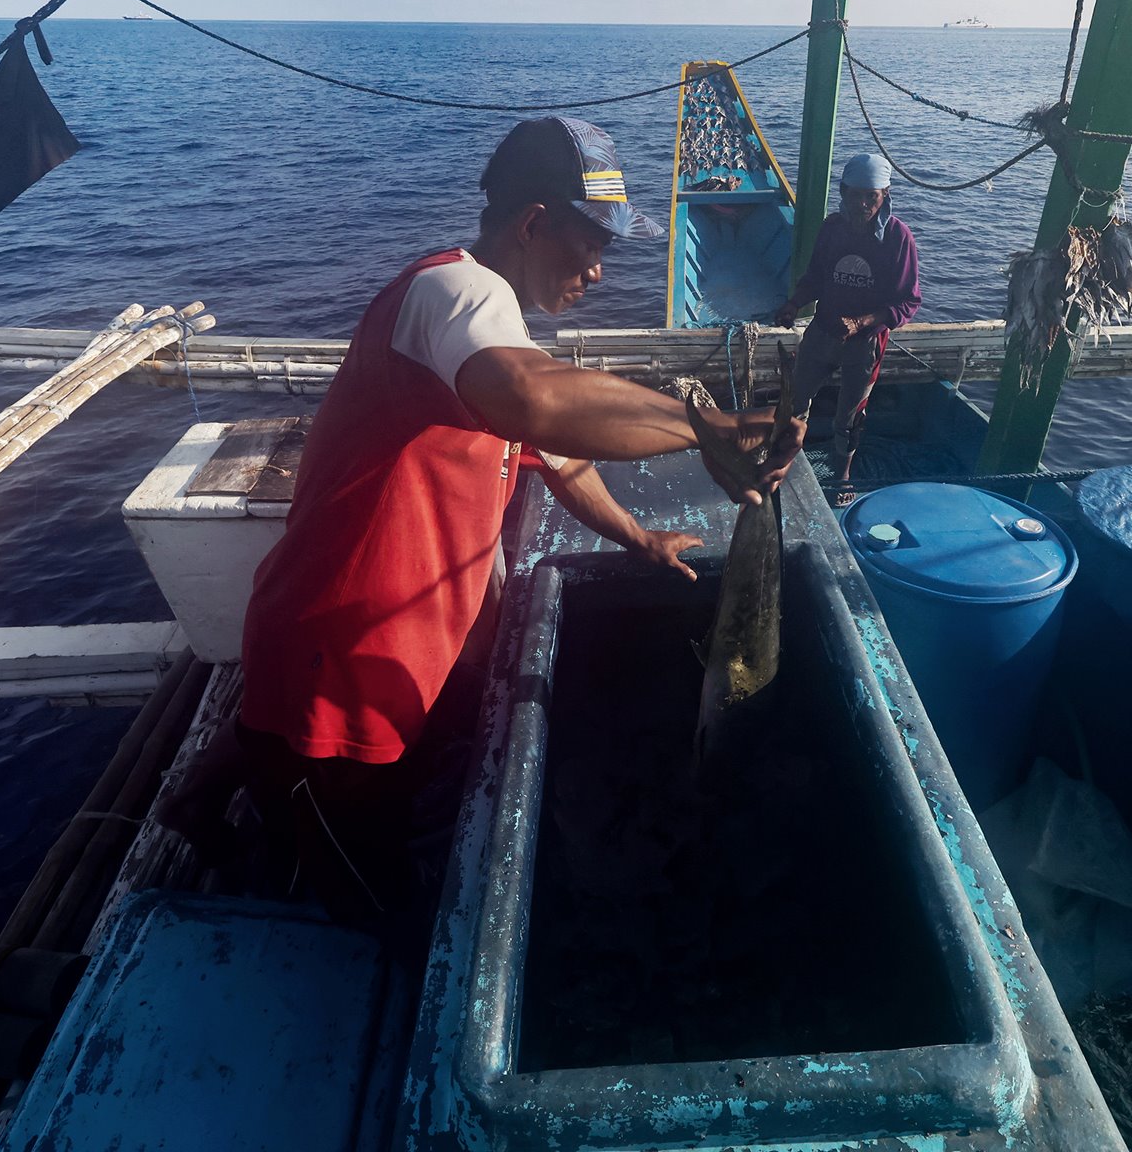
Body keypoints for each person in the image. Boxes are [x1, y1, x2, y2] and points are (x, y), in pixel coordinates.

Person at [222, 115, 804, 928]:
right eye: (590, 245)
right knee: (369, 908)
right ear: (533, 223)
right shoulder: (450, 292)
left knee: (420, 829)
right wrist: (701, 424)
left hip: (419, 661)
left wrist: (638, 538)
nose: (599, 272)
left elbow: (556, 454)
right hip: (336, 685)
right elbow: (535, 400)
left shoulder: (492, 327)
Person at [774, 153, 922, 489]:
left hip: (865, 345)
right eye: (856, 194)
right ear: (842, 192)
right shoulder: (832, 228)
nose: (863, 203)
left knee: (849, 417)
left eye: (872, 196)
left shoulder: (899, 239)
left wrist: (862, 322)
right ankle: (784, 464)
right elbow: (814, 277)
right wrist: (794, 304)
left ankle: (842, 475)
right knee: (794, 402)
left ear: (885, 196)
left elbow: (908, 300)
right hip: (822, 331)